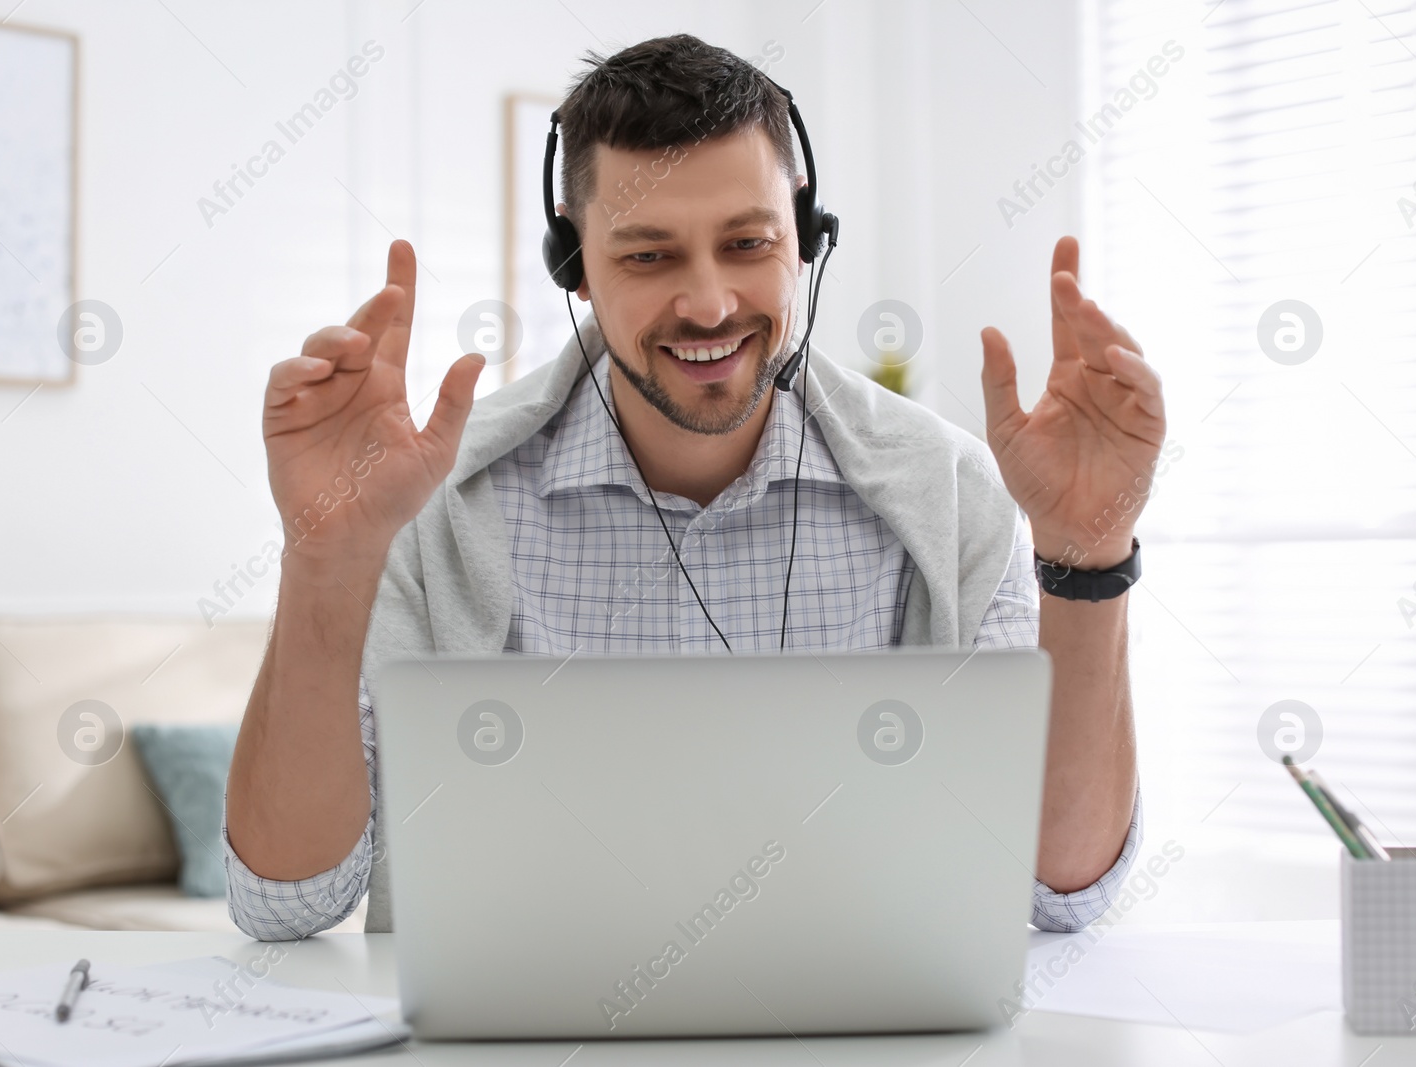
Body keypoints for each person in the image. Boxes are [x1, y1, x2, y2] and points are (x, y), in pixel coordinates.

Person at [223, 33, 1164, 940]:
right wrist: (326, 554)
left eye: (748, 243)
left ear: (803, 237)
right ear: (575, 268)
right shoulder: (437, 506)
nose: (710, 303)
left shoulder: (951, 490)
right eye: (648, 255)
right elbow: (287, 903)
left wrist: (1086, 554)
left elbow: (1064, 891)